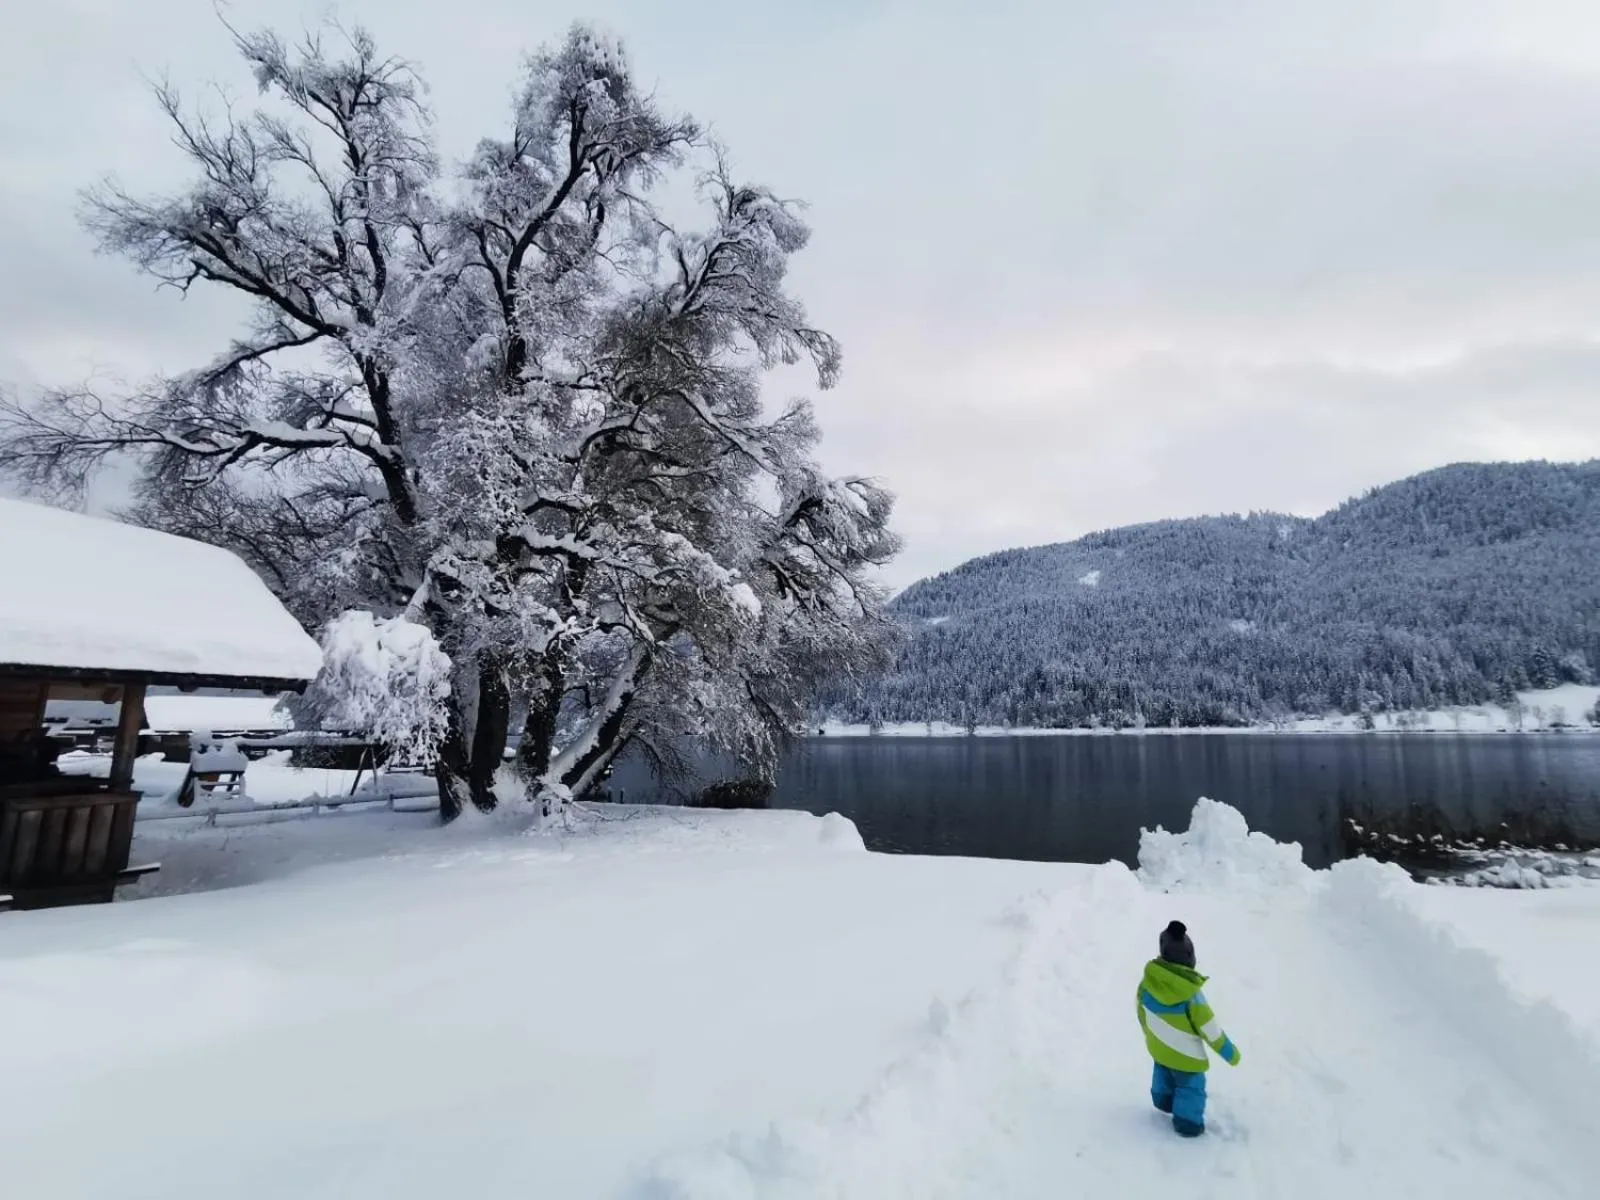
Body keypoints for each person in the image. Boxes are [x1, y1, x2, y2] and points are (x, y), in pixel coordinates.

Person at [1136, 920, 1241, 1137]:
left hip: (1160, 1048)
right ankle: (1187, 1123)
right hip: (1187, 1057)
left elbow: (1141, 1011)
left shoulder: (1147, 985)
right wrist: (1231, 1054)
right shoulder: (1192, 997)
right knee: (1190, 1087)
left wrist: (1150, 1033)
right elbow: (1210, 1029)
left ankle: (1163, 1100)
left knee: (1162, 1071)